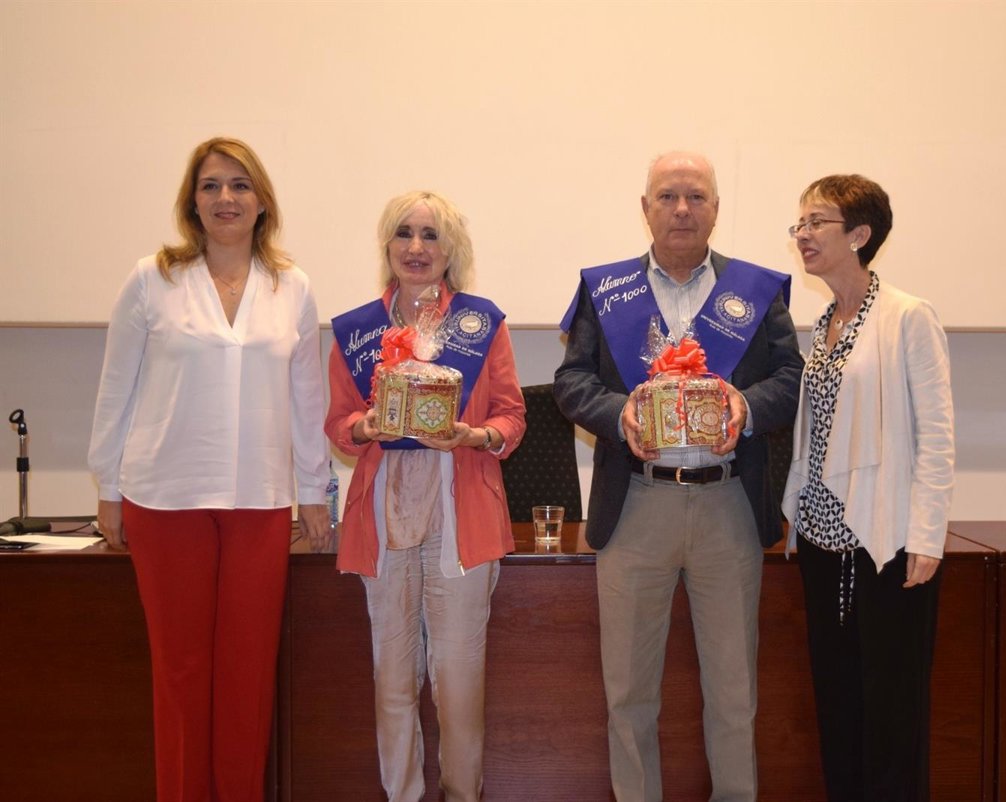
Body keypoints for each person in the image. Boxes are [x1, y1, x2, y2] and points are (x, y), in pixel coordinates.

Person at [554, 151, 804, 802]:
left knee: (734, 691)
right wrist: (620, 413)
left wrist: (745, 405)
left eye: (696, 196)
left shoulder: (755, 290)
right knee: (628, 692)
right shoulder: (606, 290)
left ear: (716, 209)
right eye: (667, 196)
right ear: (646, 209)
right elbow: (572, 383)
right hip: (635, 504)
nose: (682, 209)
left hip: (728, 504)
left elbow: (791, 378)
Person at [88, 136, 330, 801]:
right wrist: (109, 487)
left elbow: (307, 399)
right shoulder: (152, 279)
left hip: (260, 502)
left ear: (262, 202)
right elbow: (115, 389)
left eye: (240, 185)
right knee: (182, 673)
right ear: (192, 202)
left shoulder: (292, 287)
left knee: (248, 674)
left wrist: (314, 491)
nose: (226, 198)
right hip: (165, 501)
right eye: (211, 186)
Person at [325, 190, 526, 802]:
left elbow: (512, 416)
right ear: (387, 245)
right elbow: (338, 422)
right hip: (383, 514)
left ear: (451, 249)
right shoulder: (357, 330)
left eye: (431, 235)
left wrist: (474, 435)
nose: (416, 247)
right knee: (393, 682)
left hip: (460, 513)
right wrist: (365, 427)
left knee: (458, 683)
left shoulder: (482, 323)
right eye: (404, 233)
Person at [781, 174, 955, 802]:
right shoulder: (825, 320)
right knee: (839, 703)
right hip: (823, 542)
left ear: (859, 234)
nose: (802, 235)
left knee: (891, 712)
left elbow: (936, 434)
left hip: (887, 543)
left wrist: (927, 537)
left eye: (816, 222)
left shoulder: (908, 316)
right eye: (799, 223)